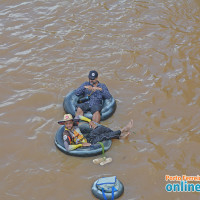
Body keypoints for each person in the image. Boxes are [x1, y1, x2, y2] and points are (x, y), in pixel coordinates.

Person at [58, 114, 134, 151]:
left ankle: (119, 137)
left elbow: (79, 116)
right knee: (103, 136)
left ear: (72, 122)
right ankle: (123, 130)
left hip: (86, 138)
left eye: (70, 123)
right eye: (66, 123)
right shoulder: (66, 133)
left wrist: (89, 121)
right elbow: (67, 148)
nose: (69, 125)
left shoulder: (75, 124)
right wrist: (81, 145)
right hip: (84, 145)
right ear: (64, 124)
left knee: (100, 128)